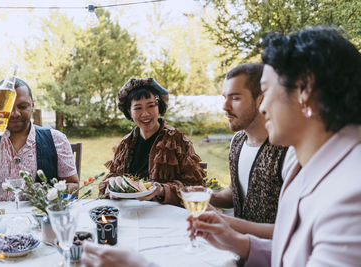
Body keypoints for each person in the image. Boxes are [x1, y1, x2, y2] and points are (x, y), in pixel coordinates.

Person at [190, 26, 361, 266]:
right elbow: (299, 256)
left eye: (267, 91)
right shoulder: (307, 166)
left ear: (304, 89)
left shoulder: (352, 195)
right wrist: (238, 243)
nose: (262, 107)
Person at [210, 63, 297, 238]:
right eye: (224, 97)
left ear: (261, 99)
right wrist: (204, 196)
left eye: (235, 98)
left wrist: (223, 221)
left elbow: (294, 231)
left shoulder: (288, 151)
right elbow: (236, 192)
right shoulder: (237, 141)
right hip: (237, 253)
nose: (225, 106)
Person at [0, 78, 79, 201]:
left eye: (22, 106)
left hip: (40, 218)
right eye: (8, 108)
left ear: (32, 105)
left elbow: (74, 187)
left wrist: (50, 192)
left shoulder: (56, 139)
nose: (15, 113)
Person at [99, 77, 205, 206]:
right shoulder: (125, 144)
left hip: (165, 214)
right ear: (129, 112)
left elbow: (195, 186)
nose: (145, 113)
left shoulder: (176, 141)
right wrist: (112, 186)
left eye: (151, 106)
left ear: (159, 107)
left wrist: (162, 190)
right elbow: (112, 178)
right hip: (130, 212)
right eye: (138, 108)